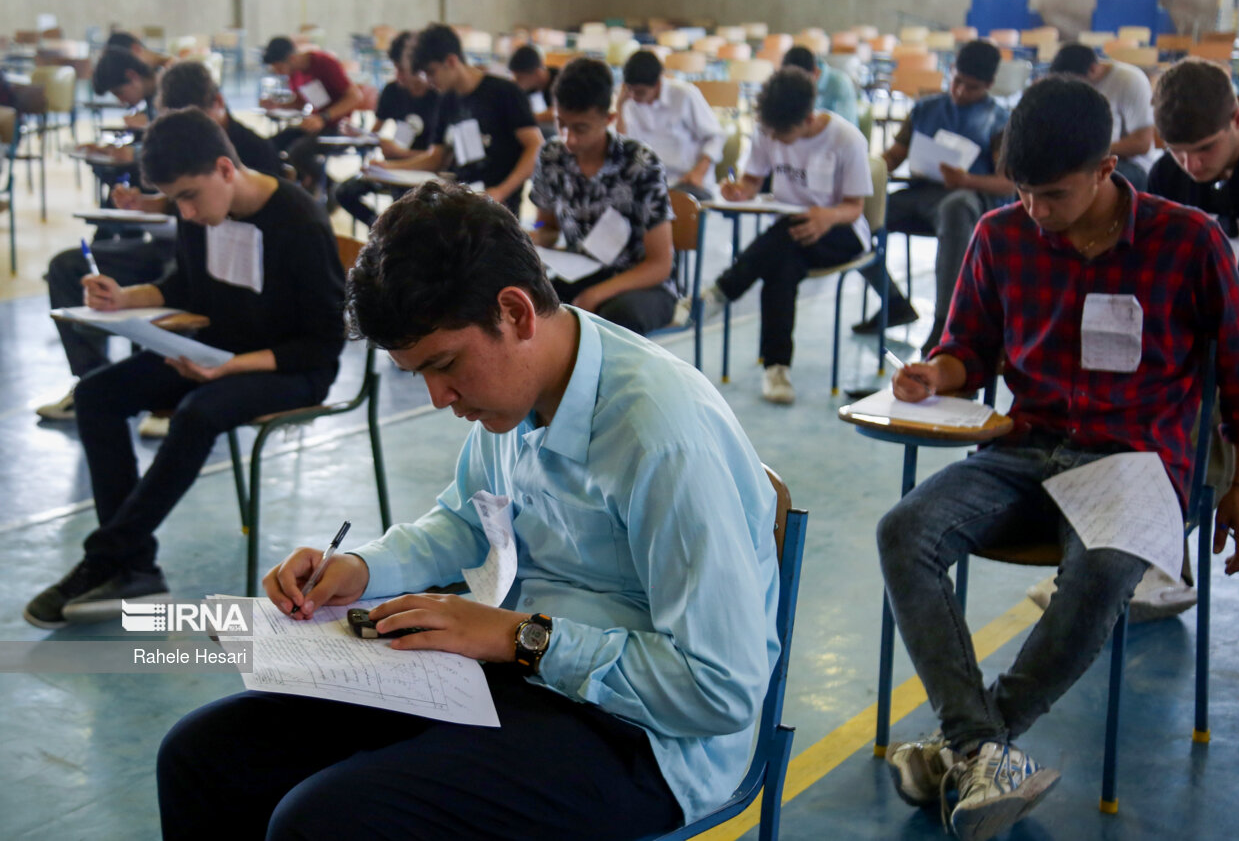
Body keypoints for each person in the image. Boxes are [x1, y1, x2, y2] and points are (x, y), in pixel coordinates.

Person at [154, 180, 781, 840]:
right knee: (202, 756)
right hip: (518, 672)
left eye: (444, 364)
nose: (437, 396)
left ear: (514, 313)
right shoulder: (514, 394)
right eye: (417, 373)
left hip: (647, 736)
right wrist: (362, 568)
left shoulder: (662, 437)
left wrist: (518, 636)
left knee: (327, 821)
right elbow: (466, 518)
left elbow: (719, 689)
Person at [876, 77, 1239, 841]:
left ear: (1105, 171)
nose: (1034, 211)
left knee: (1100, 569)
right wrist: (938, 373)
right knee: (904, 530)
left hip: (1136, 463)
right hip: (1025, 449)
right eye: (1021, 192)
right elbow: (968, 347)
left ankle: (966, 742)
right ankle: (982, 749)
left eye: (1052, 195)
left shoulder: (1185, 242)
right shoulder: (1001, 236)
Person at [23, 108, 345, 629]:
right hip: (216, 355)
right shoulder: (200, 213)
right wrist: (123, 297)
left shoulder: (300, 220)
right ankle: (136, 567)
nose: (186, 213)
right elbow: (185, 288)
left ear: (224, 168)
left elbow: (324, 344)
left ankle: (106, 556)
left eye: (190, 197)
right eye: (177, 201)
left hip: (290, 368)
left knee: (196, 414)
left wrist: (234, 367)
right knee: (96, 396)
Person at [37, 60, 282, 425]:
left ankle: (167, 390)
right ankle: (90, 378)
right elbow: (174, 204)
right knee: (67, 266)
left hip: (213, 262)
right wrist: (143, 203)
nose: (183, 133)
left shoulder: (255, 151)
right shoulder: (174, 151)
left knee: (182, 286)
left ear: (217, 103)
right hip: (168, 245)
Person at [1134, 56, 1239, 618]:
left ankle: (1161, 559)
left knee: (1209, 423)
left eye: (1205, 149)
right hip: (1199, 342)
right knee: (1134, 408)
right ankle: (1127, 550)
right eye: (1176, 151)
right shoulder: (1165, 180)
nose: (1191, 164)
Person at [686, 68, 874, 405]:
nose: (774, 138)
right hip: (791, 233)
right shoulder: (768, 131)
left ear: (807, 118)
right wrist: (738, 191)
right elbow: (752, 181)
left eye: (781, 133)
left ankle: (721, 291)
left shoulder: (846, 139)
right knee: (781, 266)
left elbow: (855, 208)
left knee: (784, 236)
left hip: (841, 232)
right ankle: (777, 368)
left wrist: (824, 216)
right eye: (768, 131)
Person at [854, 39, 1013, 354]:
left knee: (956, 206)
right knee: (853, 215)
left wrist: (966, 179)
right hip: (921, 194)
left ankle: (946, 324)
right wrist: (859, 176)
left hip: (969, 199)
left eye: (972, 88)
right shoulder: (925, 109)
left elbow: (1008, 183)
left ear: (989, 85)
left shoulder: (999, 120)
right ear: (950, 71)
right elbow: (892, 158)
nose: (960, 92)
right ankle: (893, 301)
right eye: (956, 82)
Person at [530, 57, 677, 334]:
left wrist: (597, 294)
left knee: (612, 318)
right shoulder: (552, 156)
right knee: (528, 303)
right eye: (562, 125)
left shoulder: (639, 162)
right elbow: (545, 225)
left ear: (609, 119)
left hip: (641, 283)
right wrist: (532, 236)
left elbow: (660, 264)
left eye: (581, 128)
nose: (569, 138)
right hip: (580, 271)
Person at [391, 24, 541, 215]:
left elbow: (535, 145)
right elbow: (435, 158)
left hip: (498, 208)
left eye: (431, 72)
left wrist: (500, 192)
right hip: (461, 200)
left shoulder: (503, 92)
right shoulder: (447, 100)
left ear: (451, 61)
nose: (429, 81)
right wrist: (388, 166)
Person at [335, 31, 440, 227]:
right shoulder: (393, 91)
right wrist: (359, 133)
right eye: (395, 69)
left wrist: (400, 153)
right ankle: (382, 229)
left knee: (407, 204)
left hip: (422, 169)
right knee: (344, 192)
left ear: (419, 67)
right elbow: (376, 131)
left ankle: (393, 232)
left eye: (402, 69)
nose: (398, 76)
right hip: (393, 167)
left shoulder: (439, 97)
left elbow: (438, 158)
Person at [615, 49, 725, 201]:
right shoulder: (628, 101)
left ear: (658, 83)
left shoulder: (685, 95)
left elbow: (716, 137)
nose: (634, 97)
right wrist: (620, 106)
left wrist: (698, 173)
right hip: (649, 183)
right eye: (630, 90)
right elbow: (622, 147)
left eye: (640, 92)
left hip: (687, 183)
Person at [260, 35, 363, 193]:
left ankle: (329, 188)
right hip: (315, 125)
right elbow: (301, 102)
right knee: (270, 145)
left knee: (298, 151)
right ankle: (293, 187)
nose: (280, 74)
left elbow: (355, 96)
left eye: (280, 68)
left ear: (292, 58)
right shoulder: (294, 74)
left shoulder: (324, 63)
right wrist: (277, 105)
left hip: (337, 126)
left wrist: (324, 117)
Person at [1050, 43, 1158, 191]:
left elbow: (1142, 144)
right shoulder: (1072, 88)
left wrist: (1089, 151)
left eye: (1074, 81)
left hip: (1133, 164)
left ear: (1093, 69)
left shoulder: (1130, 81)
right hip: (1088, 161)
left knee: (1080, 182)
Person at [780, 45, 865, 130]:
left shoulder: (840, 84)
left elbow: (845, 128)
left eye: (799, 82)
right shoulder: (788, 82)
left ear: (815, 72)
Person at [508, 43, 557, 130]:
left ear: (537, 72)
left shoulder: (561, 81)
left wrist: (527, 118)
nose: (516, 82)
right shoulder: (530, 86)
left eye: (520, 78)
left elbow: (562, 113)